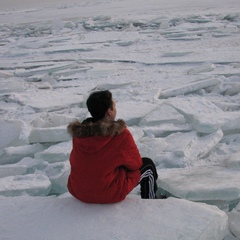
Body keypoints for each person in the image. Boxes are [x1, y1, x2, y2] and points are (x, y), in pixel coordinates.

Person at [67, 90, 159, 204]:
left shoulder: (79, 135)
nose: (116, 108)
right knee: (148, 166)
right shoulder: (120, 135)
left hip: (78, 191)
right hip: (107, 194)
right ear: (109, 111)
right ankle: (151, 202)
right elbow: (136, 163)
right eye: (114, 106)